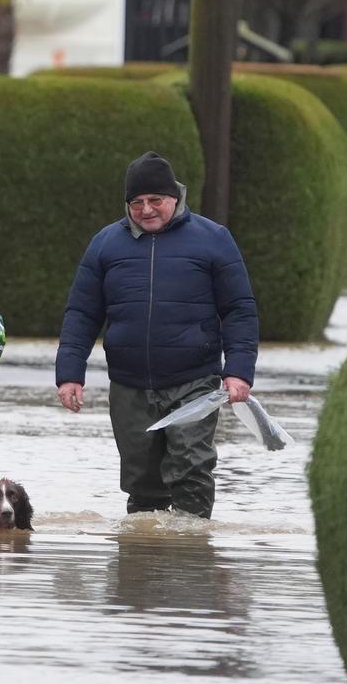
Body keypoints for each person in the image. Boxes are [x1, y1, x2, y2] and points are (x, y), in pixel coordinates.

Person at [54, 151, 258, 518]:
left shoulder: (214, 239)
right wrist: (70, 374)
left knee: (191, 467)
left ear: (175, 198)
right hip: (130, 384)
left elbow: (239, 309)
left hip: (194, 381)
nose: (146, 209)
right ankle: (143, 560)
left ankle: (192, 553)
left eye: (155, 200)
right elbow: (82, 313)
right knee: (142, 479)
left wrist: (238, 371)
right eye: (137, 202)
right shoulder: (105, 244)